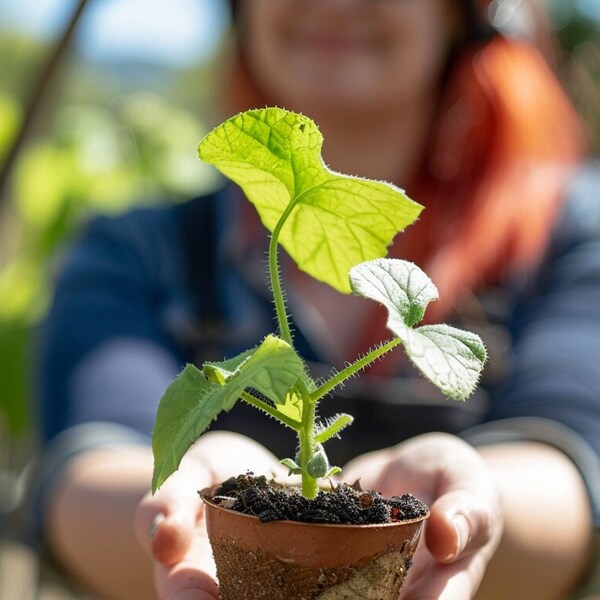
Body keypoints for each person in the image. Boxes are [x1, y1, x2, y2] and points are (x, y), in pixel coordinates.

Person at [25, 0, 600, 599]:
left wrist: (468, 505)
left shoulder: (569, 238)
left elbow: (573, 463)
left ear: (458, 13)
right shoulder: (137, 250)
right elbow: (83, 468)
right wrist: (187, 504)